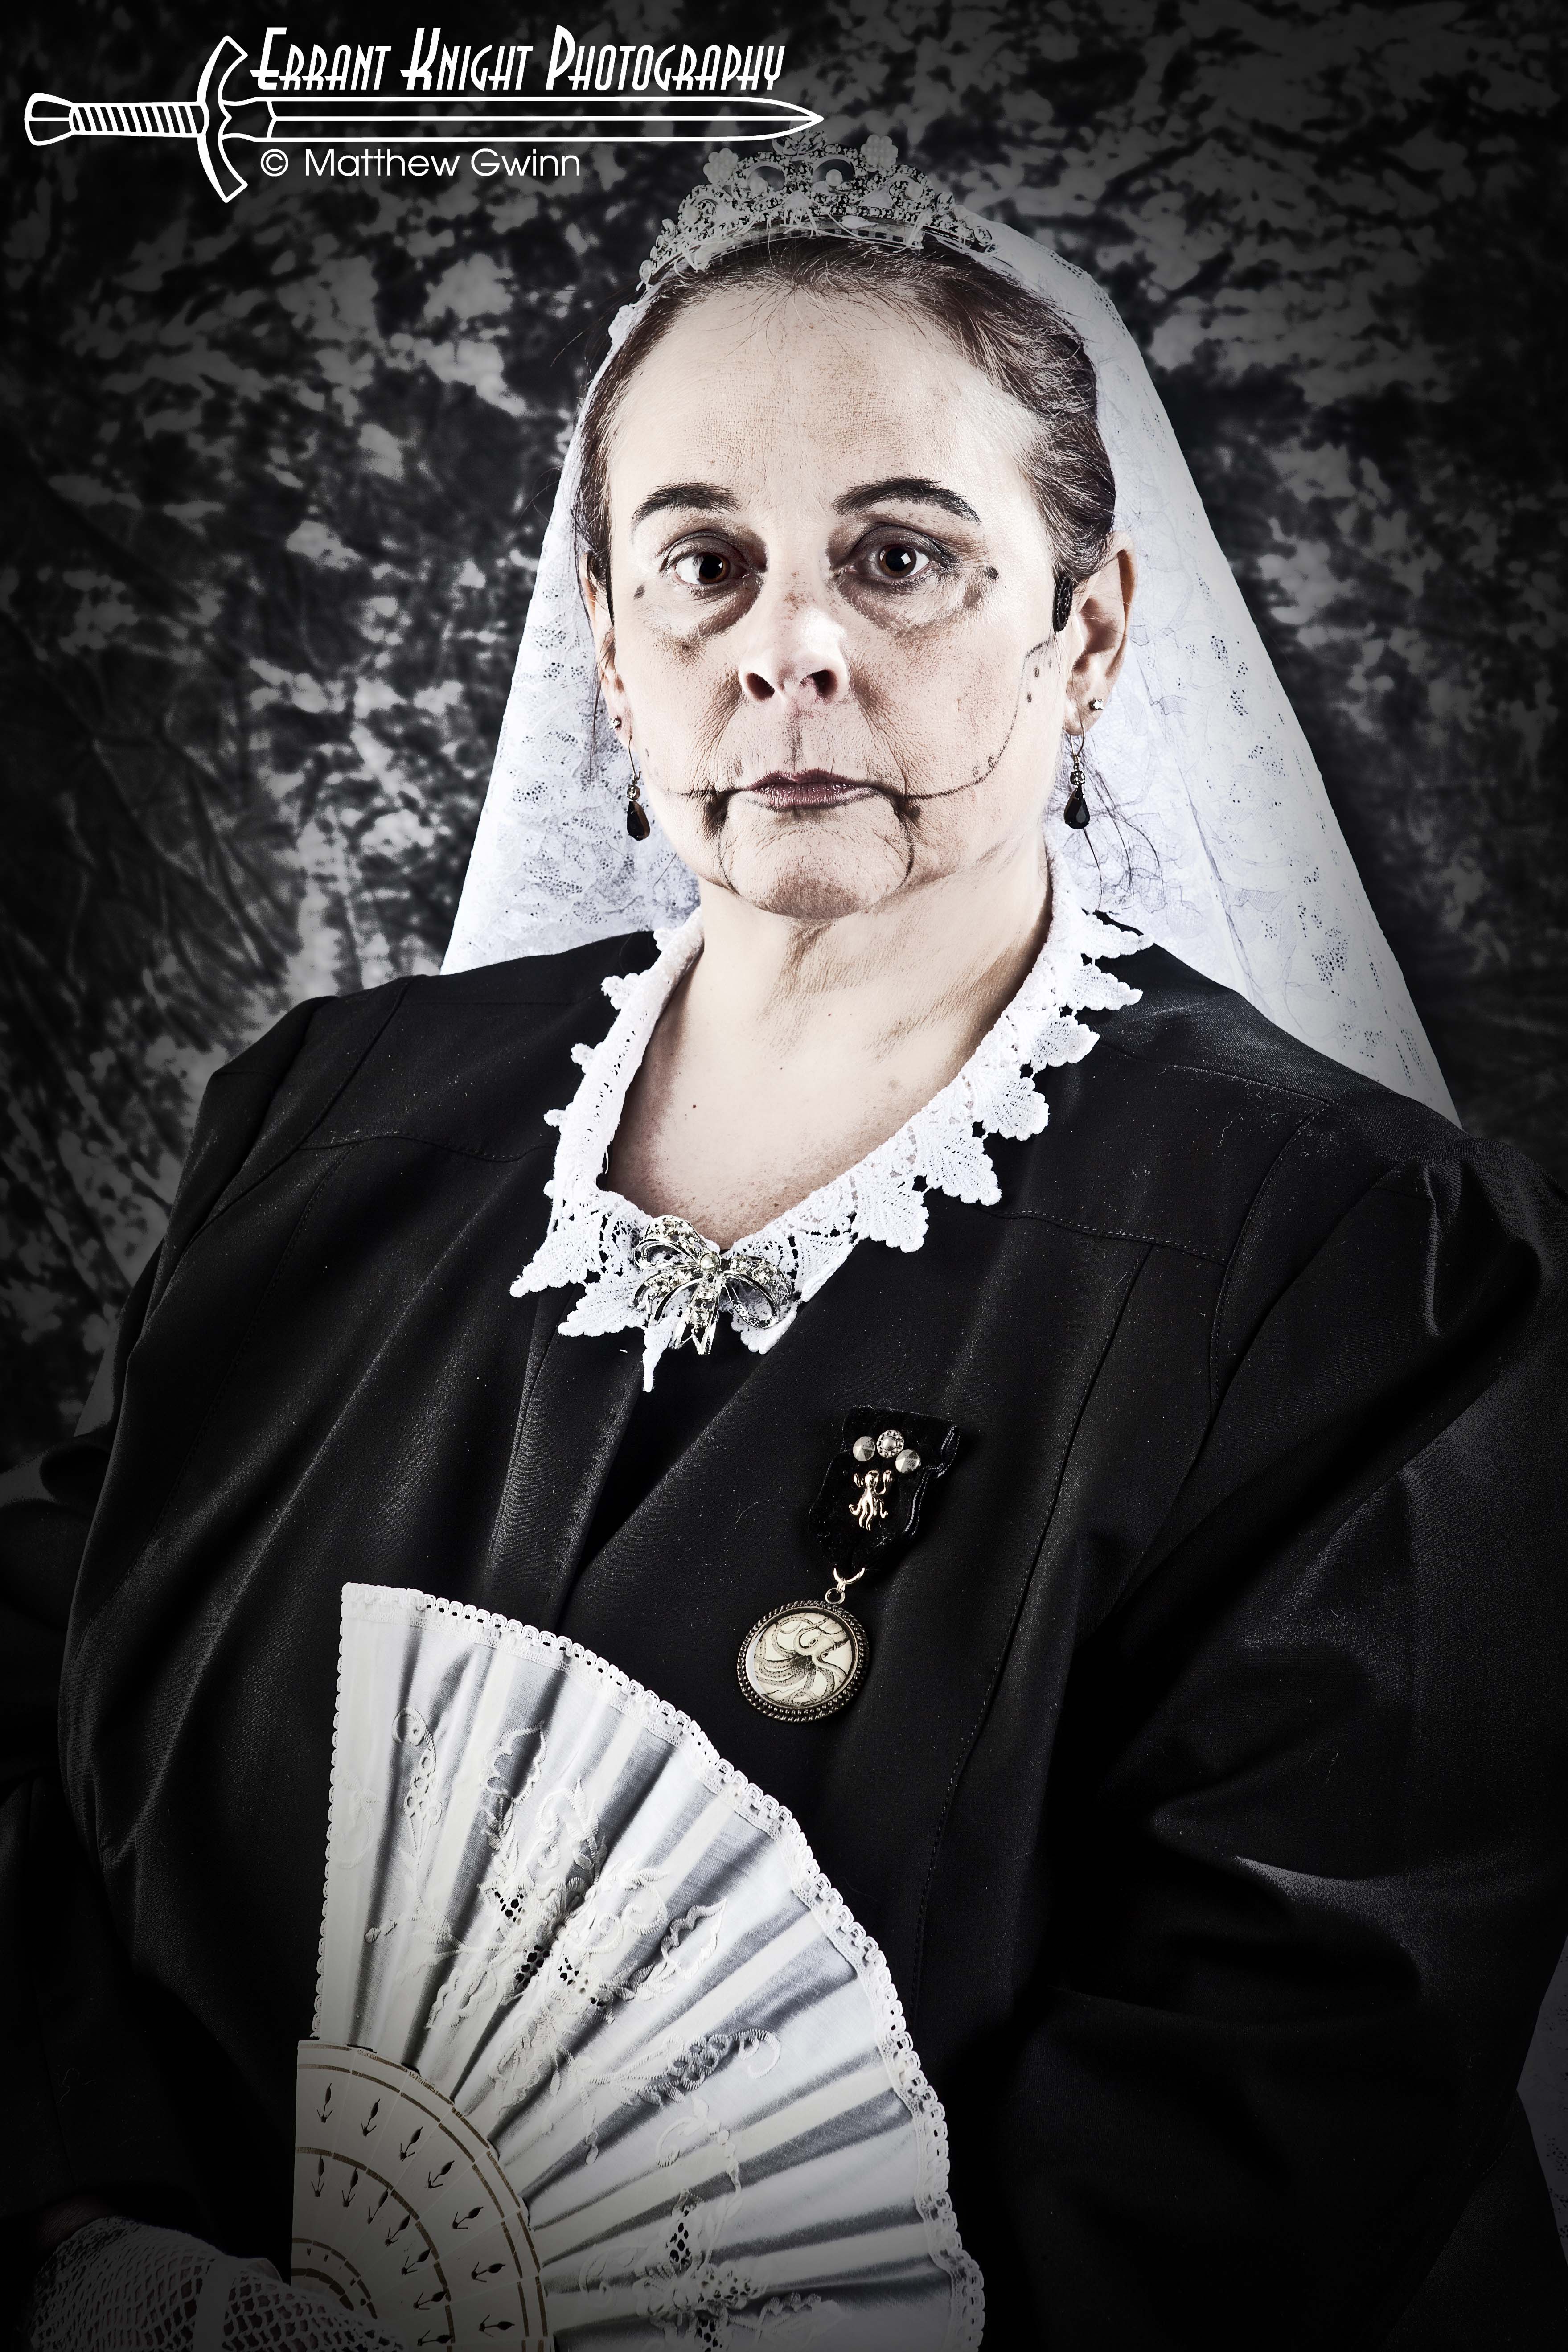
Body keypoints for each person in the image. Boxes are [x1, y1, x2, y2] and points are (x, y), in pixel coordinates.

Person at [5, 132, 1568, 2349]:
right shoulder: (326, 1123)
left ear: (1088, 631)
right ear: (609, 651)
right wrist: (96, 2244)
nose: (792, 648)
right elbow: (41, 1722)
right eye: (704, 564)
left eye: (899, 557)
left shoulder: (1359, 1259)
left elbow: (1292, 2076)